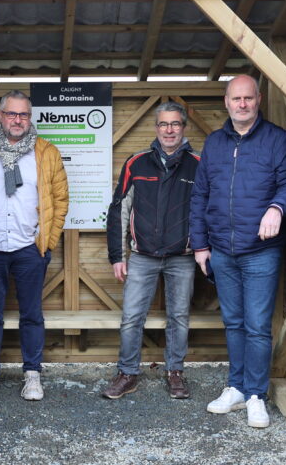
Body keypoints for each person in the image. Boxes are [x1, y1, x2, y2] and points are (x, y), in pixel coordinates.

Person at [189, 74, 286, 428]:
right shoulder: (215, 143)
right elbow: (200, 195)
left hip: (261, 251)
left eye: (248, 98)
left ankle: (255, 395)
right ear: (227, 101)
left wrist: (277, 208)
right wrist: (201, 245)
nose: (242, 104)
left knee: (257, 326)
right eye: (236, 99)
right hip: (221, 249)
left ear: (259, 99)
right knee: (232, 322)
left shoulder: (278, 140)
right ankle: (235, 387)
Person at [0, 89, 69, 402]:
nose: (17, 120)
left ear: (31, 118)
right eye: (11, 114)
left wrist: (48, 240)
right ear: (1, 116)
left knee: (32, 313)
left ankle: (32, 373)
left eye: (23, 114)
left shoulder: (47, 153)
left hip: (29, 248)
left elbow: (60, 199)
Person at [103, 101, 199, 400]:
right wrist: (118, 256)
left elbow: (207, 210)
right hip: (142, 256)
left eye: (175, 124)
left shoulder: (198, 164)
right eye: (163, 124)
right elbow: (119, 210)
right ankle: (128, 373)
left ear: (183, 127)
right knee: (131, 316)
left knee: (179, 317)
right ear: (156, 128)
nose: (169, 130)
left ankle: (175, 372)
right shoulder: (136, 163)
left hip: (182, 257)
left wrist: (203, 249)